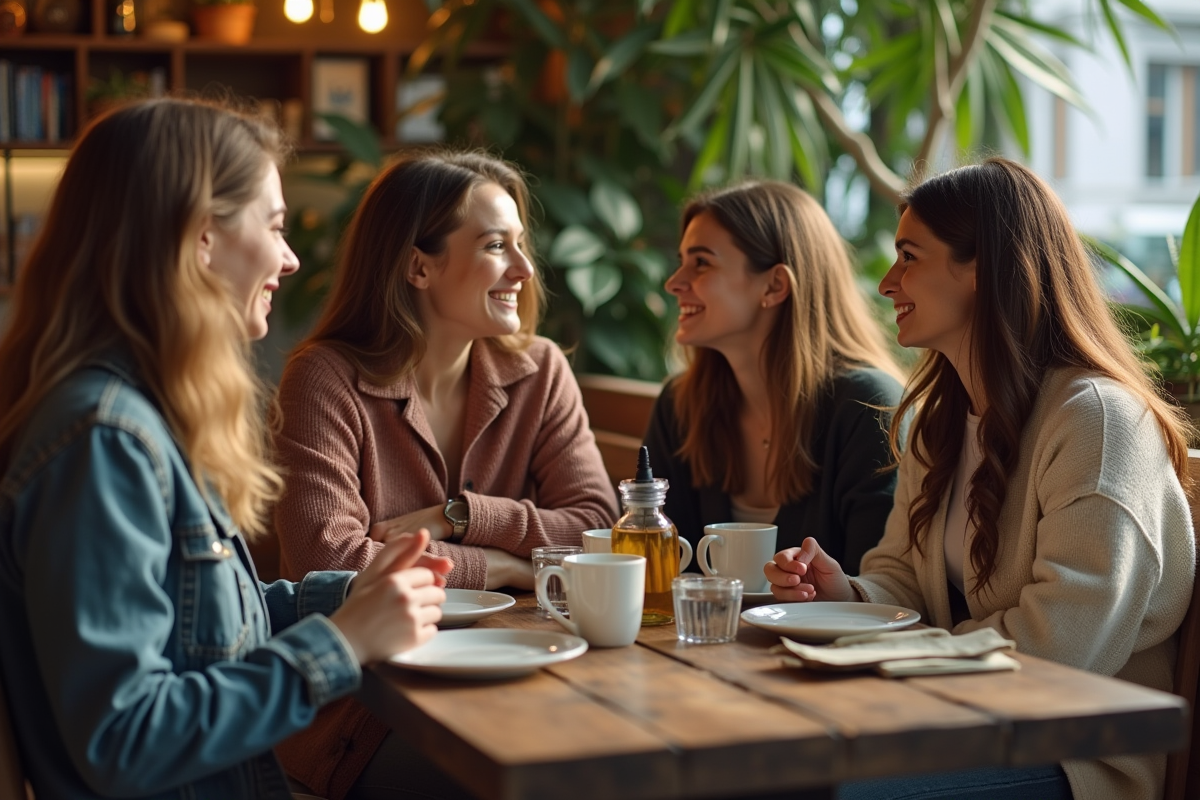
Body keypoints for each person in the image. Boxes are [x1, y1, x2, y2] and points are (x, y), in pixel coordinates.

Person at [0, 98, 451, 800]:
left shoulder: (140, 420)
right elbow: (124, 737)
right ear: (200, 238)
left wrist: (347, 597)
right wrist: (343, 645)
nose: (291, 258)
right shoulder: (102, 443)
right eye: (274, 226)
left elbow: (197, 622)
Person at [765, 158, 1195, 800]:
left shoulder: (1099, 423)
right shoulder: (942, 419)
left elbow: (1061, 651)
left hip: (1072, 752)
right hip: (955, 716)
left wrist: (902, 654)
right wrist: (849, 595)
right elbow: (903, 577)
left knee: (814, 786)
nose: (887, 283)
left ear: (983, 271)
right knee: (761, 764)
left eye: (909, 256)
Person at [271, 149, 619, 799]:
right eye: (495, 245)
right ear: (418, 265)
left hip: (518, 678)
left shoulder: (540, 371)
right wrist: (514, 567)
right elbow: (328, 564)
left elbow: (598, 527)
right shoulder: (324, 378)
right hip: (369, 714)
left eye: (522, 245)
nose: (523, 269)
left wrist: (464, 516)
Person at [643, 180, 905, 574]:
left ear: (775, 284)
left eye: (701, 262)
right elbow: (661, 567)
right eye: (682, 260)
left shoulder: (869, 407)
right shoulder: (680, 405)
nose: (673, 282)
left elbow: (877, 592)